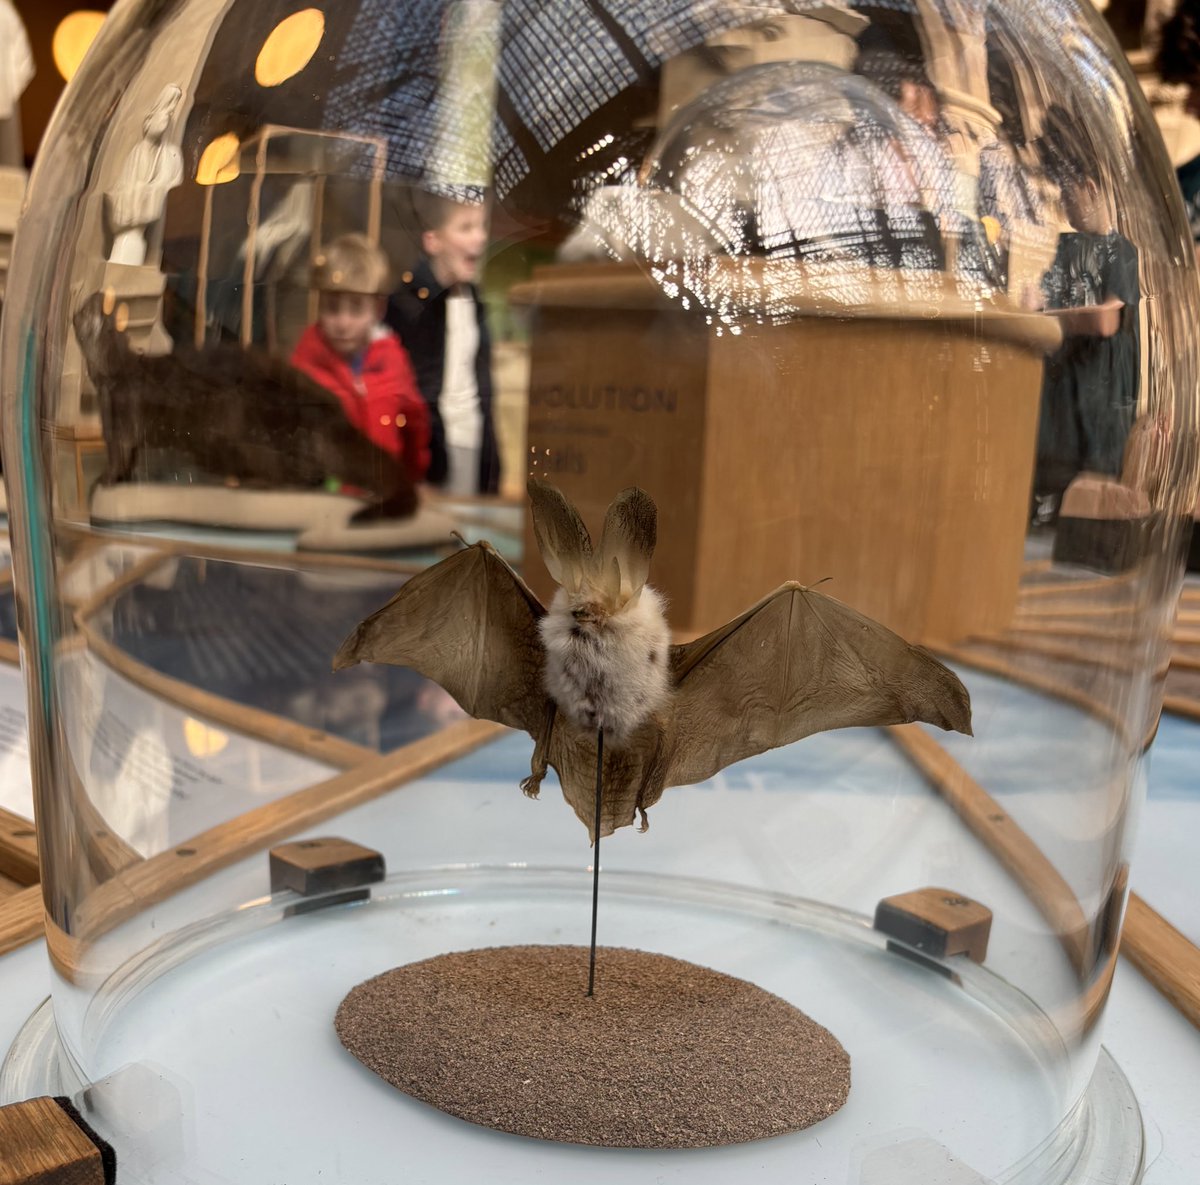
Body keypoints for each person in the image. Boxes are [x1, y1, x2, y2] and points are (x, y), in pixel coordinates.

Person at [1032, 114, 1140, 520]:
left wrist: (1050, 317)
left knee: (1092, 473)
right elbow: (1038, 297)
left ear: (1090, 188)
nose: (1064, 202)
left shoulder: (1120, 250)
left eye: (1068, 192)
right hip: (1063, 384)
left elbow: (1106, 320)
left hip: (1100, 386)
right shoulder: (1064, 249)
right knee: (1054, 460)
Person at [385, 190, 500, 496]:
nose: (480, 238)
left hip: (471, 441)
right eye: (466, 228)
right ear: (433, 240)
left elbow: (481, 383)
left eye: (482, 226)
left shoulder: (474, 300)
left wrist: (493, 459)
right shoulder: (408, 305)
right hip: (428, 449)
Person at [291, 233, 430, 483]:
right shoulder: (305, 363)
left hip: (382, 496)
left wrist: (410, 482)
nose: (343, 323)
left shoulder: (393, 361)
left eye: (356, 308)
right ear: (319, 305)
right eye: (332, 308)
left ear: (378, 309)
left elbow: (414, 427)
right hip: (323, 499)